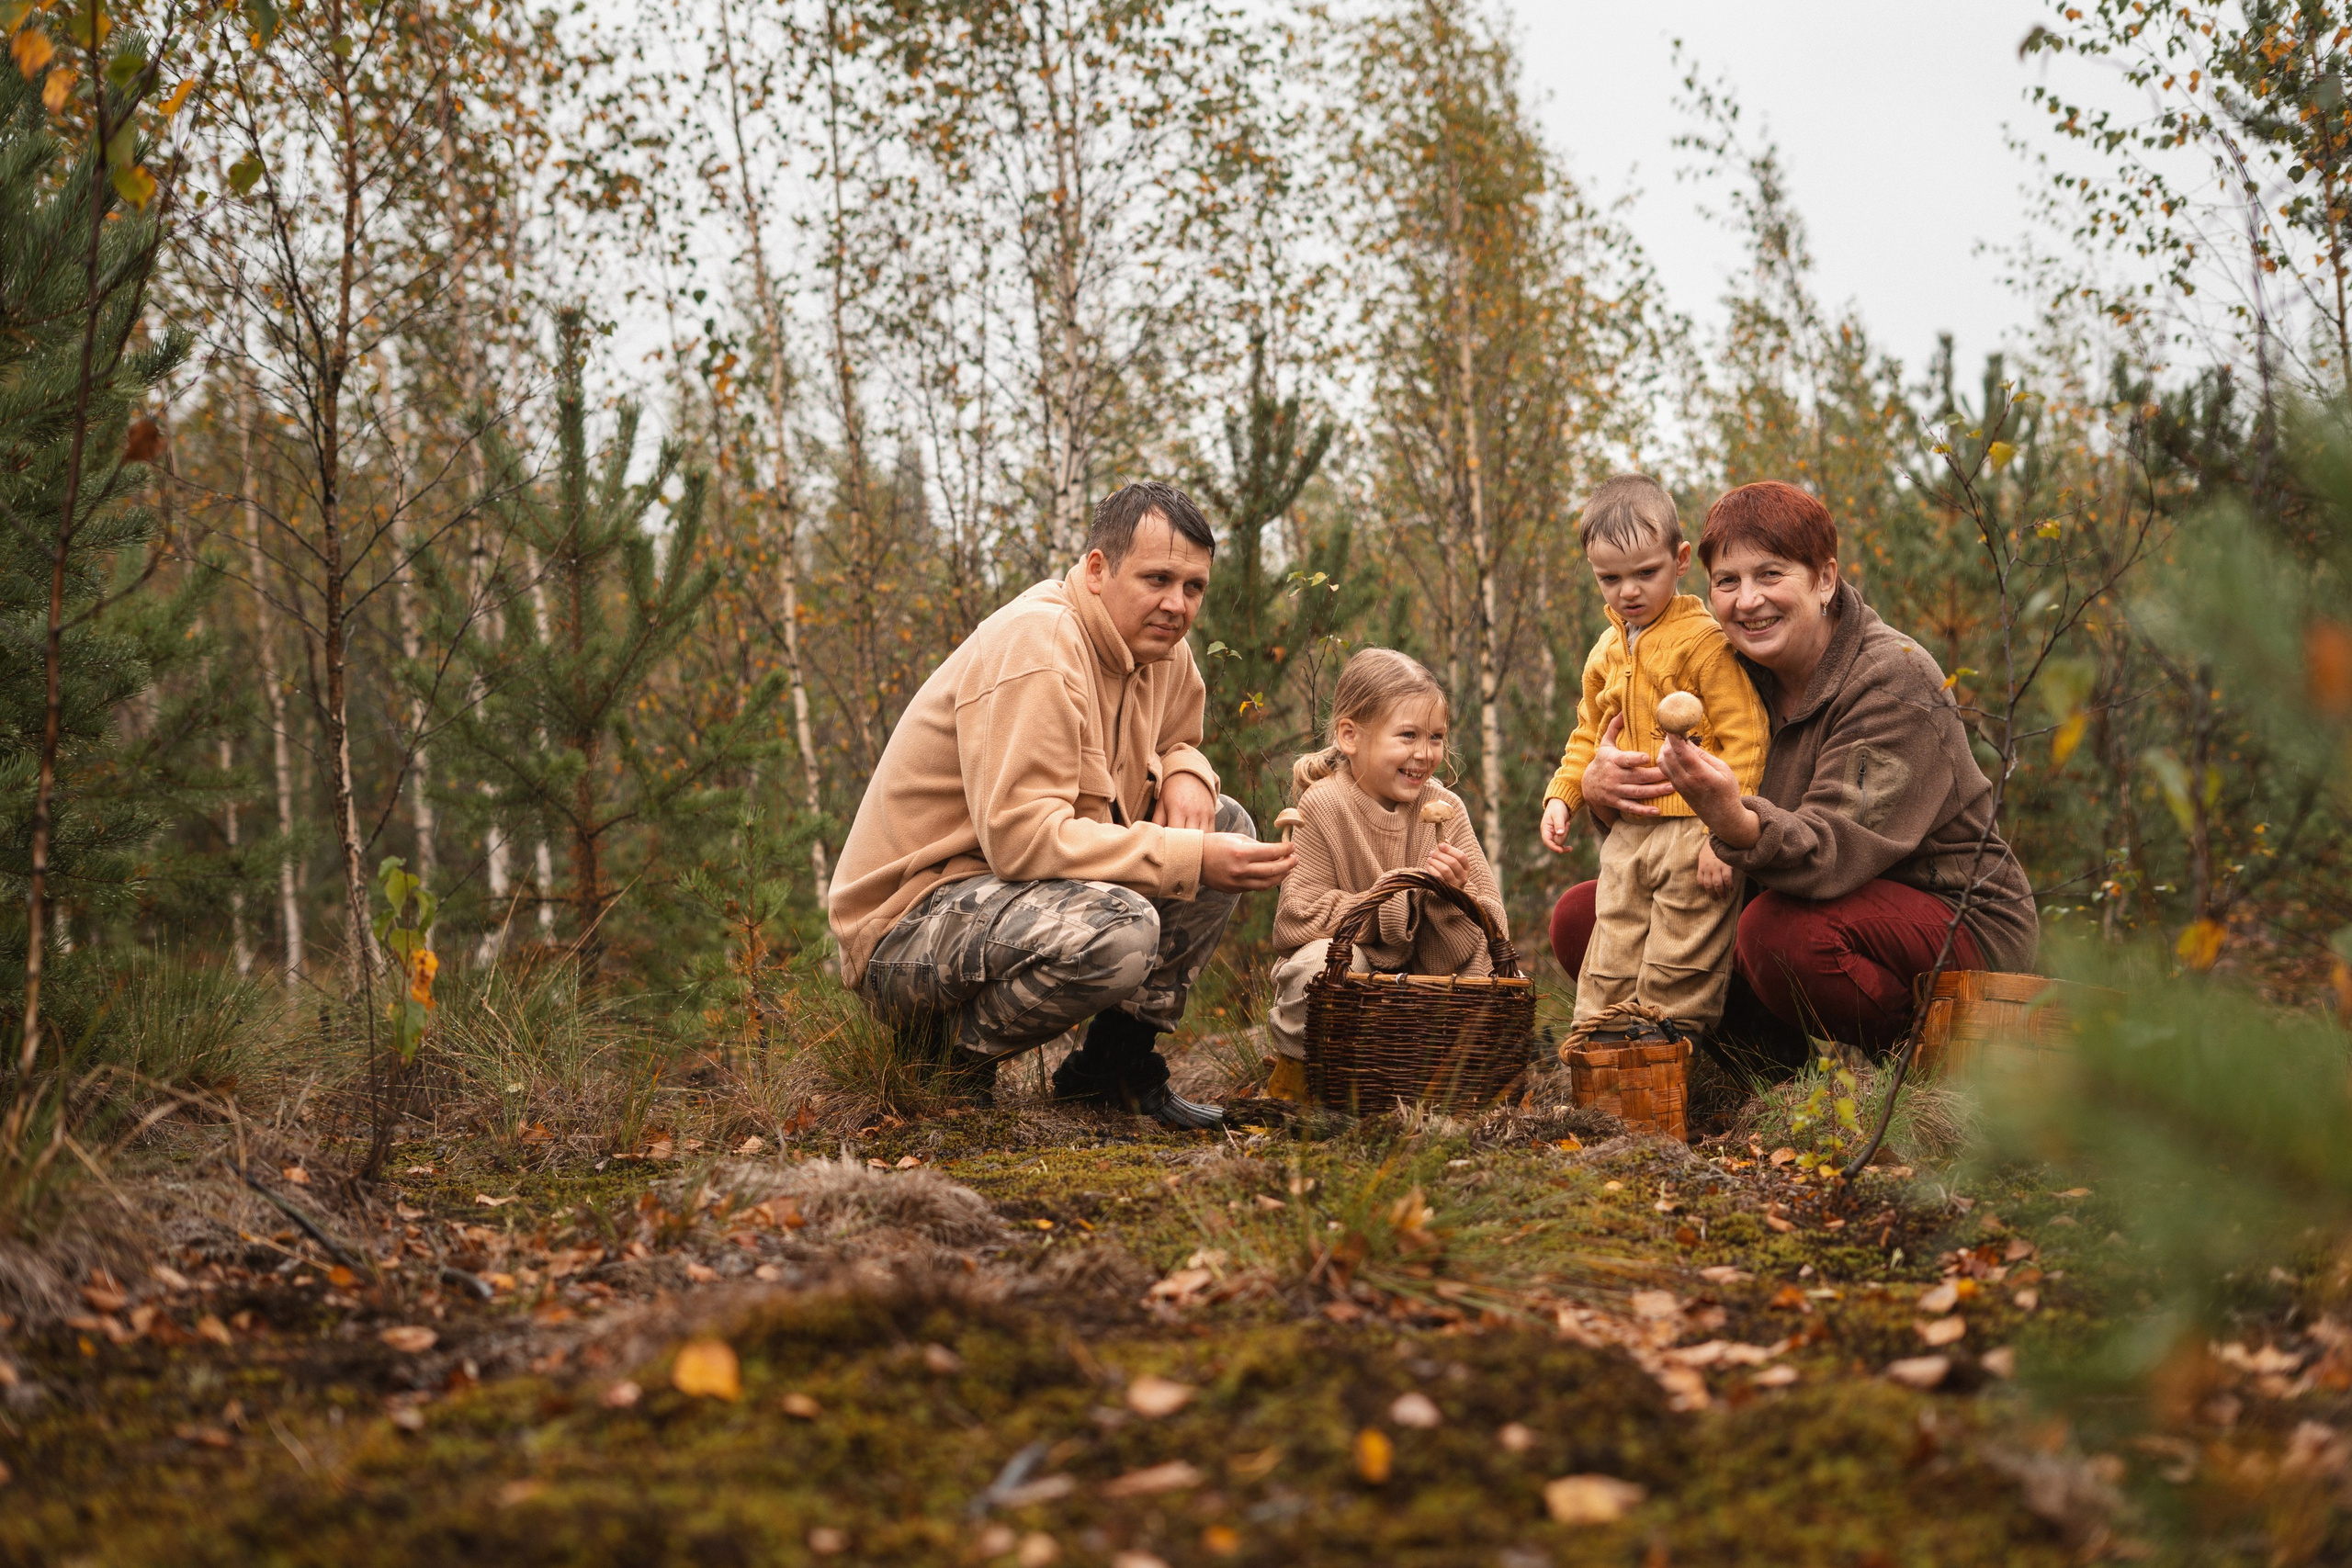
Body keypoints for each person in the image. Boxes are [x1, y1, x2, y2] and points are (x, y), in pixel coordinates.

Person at [827, 481, 1295, 1128]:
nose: (1176, 604)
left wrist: (1188, 771)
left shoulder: (1162, 649)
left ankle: (1113, 1071)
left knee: (1222, 824)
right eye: (1157, 577)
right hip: (906, 930)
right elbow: (1023, 841)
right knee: (1123, 928)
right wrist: (1187, 854)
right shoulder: (1039, 646)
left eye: (1193, 587)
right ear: (1098, 570)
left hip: (1005, 900)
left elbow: (1178, 736)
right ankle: (939, 1062)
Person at [1548, 480, 2037, 1063]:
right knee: (1584, 915)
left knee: (1781, 935)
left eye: (1771, 575)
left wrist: (1729, 821)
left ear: (1824, 579)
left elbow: (1831, 851)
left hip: (1947, 914)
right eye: (1727, 582)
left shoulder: (1893, 680)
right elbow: (1665, 835)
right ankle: (1755, 1067)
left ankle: (1934, 1069)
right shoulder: (1727, 668)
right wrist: (1601, 794)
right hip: (1790, 895)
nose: (1748, 600)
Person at [1538, 475, 1770, 1050]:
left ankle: (1662, 1066)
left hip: (1693, 832)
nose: (1629, 592)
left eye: (1646, 573)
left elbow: (1746, 739)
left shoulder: (1703, 642)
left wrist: (1724, 833)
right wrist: (1563, 794)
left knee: (1679, 961)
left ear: (1681, 558)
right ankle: (1599, 1065)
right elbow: (1589, 734)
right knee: (1611, 952)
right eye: (1609, 579)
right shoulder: (1607, 650)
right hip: (1630, 835)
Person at [1262, 649, 1506, 1100]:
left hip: (1429, 982)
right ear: (1351, 736)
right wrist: (1394, 903)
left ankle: (1449, 1090)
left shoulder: (1446, 810)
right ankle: (1301, 1082)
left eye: (1436, 737)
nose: (1424, 753)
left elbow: (1494, 925)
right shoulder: (1323, 806)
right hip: (1358, 972)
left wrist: (1449, 899)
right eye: (1408, 735)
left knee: (1489, 977)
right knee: (1317, 968)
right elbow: (1297, 918)